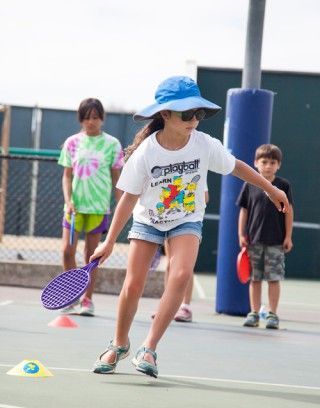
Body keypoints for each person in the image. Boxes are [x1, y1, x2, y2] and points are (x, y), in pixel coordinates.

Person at [90, 76, 289, 378]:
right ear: (165, 115)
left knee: (181, 275)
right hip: (148, 221)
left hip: (186, 219)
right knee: (133, 284)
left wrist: (270, 189)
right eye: (187, 114)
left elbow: (236, 166)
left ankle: (149, 347)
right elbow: (128, 200)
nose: (194, 120)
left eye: (198, 113)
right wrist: (108, 242)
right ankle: (119, 344)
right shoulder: (145, 152)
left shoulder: (203, 144)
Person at [58, 98, 124, 316]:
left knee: (91, 257)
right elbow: (67, 177)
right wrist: (68, 201)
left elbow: (117, 180)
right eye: (86, 117)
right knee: (67, 251)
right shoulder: (72, 143)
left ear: (102, 118)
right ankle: (70, 296)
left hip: (98, 208)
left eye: (95, 117)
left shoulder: (113, 145)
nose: (90, 122)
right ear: (81, 119)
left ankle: (87, 300)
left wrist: (120, 207)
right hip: (74, 209)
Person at [237, 144, 294, 329]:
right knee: (254, 278)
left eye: (273, 162)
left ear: (278, 165)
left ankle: (272, 314)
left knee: (274, 278)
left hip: (276, 242)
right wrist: (241, 234)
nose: (268, 165)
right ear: (256, 163)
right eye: (264, 162)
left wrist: (288, 237)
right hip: (254, 240)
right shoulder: (249, 184)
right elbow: (243, 211)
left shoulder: (283, 185)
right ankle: (253, 313)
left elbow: (289, 211)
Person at [163, 189, 209, 323]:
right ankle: (166, 305)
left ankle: (185, 307)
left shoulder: (197, 170)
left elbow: (205, 197)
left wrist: (184, 202)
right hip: (167, 221)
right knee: (170, 264)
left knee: (185, 267)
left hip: (188, 224)